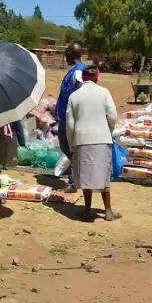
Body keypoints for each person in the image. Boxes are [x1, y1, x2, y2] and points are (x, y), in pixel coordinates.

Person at [66, 66, 121, 222]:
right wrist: (108, 130)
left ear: (82, 78)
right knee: (103, 175)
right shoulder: (104, 93)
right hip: (102, 138)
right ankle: (108, 211)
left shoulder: (74, 96)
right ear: (97, 77)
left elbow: (70, 124)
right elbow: (112, 115)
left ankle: (87, 210)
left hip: (82, 139)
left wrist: (71, 143)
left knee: (85, 176)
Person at [55, 43, 86, 193]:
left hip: (71, 117)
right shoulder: (75, 69)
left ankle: (74, 181)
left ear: (69, 53)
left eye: (65, 54)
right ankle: (75, 175)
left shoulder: (79, 71)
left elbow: (81, 89)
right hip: (65, 115)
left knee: (70, 148)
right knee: (67, 147)